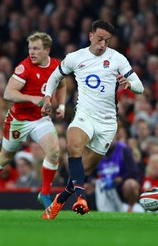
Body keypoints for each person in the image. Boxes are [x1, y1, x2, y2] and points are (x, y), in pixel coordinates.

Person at [41, 20, 144, 219]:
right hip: (84, 115)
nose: (103, 44)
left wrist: (129, 85)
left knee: (84, 169)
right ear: (90, 36)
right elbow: (54, 77)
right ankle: (81, 199)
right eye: (99, 39)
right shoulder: (75, 58)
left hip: (107, 123)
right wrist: (48, 98)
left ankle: (59, 200)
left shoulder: (117, 59)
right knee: (73, 147)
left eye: (107, 40)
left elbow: (140, 86)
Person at [0, 32, 67, 209]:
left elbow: (62, 84)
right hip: (19, 120)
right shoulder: (24, 67)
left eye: (36, 49)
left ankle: (45, 193)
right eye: (30, 48)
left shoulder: (57, 66)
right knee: (5, 157)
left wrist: (62, 106)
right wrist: (32, 99)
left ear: (47, 50)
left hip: (41, 119)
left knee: (54, 152)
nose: (31, 52)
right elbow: (8, 93)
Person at [92, 139, 140, 212]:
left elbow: (133, 172)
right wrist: (93, 181)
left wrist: (116, 180)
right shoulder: (95, 152)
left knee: (131, 184)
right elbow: (89, 173)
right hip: (102, 184)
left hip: (120, 185)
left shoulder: (124, 149)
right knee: (85, 187)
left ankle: (131, 209)